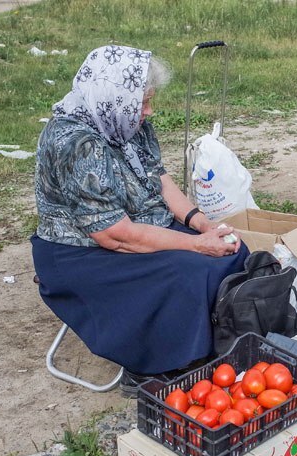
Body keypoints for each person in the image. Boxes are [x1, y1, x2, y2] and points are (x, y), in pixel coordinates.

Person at [31, 45, 249, 396]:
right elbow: (114, 235)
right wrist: (194, 245)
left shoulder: (123, 121)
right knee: (187, 271)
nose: (149, 111)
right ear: (112, 98)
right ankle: (154, 366)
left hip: (137, 225)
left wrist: (203, 224)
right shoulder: (75, 143)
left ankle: (217, 348)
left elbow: (160, 180)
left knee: (232, 249)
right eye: (143, 103)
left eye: (148, 101)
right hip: (80, 252)